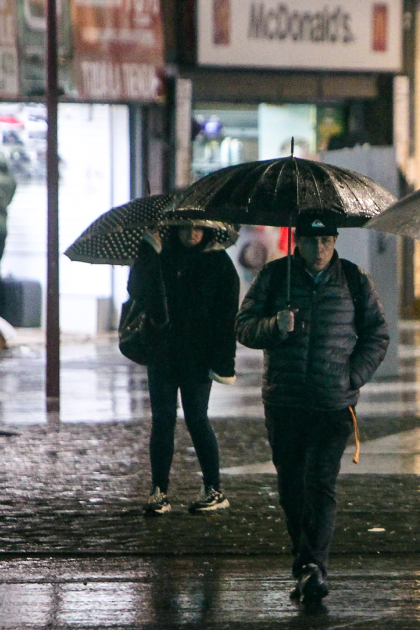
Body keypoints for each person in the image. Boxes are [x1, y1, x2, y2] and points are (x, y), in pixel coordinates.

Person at [235, 218, 389, 603]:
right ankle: (305, 563)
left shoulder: (354, 280)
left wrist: (351, 376)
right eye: (310, 240)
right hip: (284, 401)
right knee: (291, 486)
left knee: (320, 483)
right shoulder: (274, 277)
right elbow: (244, 326)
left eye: (325, 240)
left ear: (334, 241)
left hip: (331, 404)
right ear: (297, 241)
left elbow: (377, 334)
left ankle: (313, 567)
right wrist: (274, 326)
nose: (318, 248)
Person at [130, 224, 239, 516]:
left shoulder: (218, 262)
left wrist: (222, 363)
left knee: (197, 418)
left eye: (198, 228)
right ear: (175, 228)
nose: (192, 233)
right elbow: (137, 290)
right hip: (162, 353)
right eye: (186, 228)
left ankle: (213, 488)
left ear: (207, 230)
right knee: (162, 420)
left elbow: (227, 317)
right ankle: (159, 490)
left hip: (198, 358)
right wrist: (147, 251)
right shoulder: (160, 254)